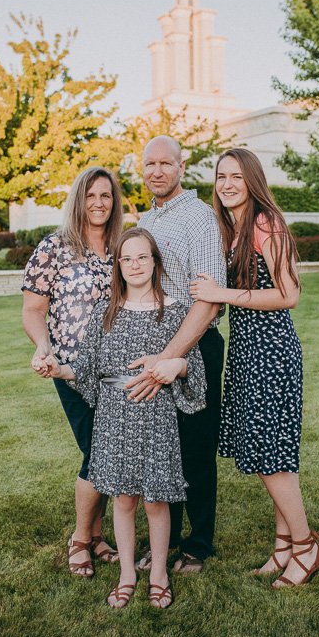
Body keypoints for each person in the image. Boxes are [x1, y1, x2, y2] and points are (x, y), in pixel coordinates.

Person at [41, 228, 207, 608]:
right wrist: (57, 367)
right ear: (118, 265)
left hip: (156, 415)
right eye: (126, 258)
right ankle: (128, 572)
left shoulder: (174, 311)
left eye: (142, 257)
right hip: (114, 418)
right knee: (124, 500)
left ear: (154, 262)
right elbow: (85, 370)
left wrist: (176, 364)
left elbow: (193, 371)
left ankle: (160, 573)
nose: (134, 264)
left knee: (155, 502)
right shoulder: (105, 312)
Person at [189, 148, 319, 588]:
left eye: (236, 176)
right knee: (273, 452)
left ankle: (305, 547)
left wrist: (223, 294)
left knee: (271, 457)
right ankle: (282, 547)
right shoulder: (232, 229)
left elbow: (289, 294)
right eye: (220, 176)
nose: (227, 184)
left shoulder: (266, 223)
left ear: (253, 181)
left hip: (272, 352)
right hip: (247, 353)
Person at [127, 135, 227, 573]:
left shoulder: (200, 218)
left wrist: (170, 354)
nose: (157, 171)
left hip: (194, 342)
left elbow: (209, 302)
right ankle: (163, 542)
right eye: (150, 164)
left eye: (166, 163)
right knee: (161, 448)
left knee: (195, 447)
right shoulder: (147, 218)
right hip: (154, 343)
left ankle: (198, 544)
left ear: (181, 168)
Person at [22, 166, 123, 578]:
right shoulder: (55, 247)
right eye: (91, 195)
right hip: (70, 367)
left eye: (106, 195)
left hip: (115, 368)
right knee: (98, 451)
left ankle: (97, 537)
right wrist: (43, 346)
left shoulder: (123, 247)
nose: (99, 203)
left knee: (104, 450)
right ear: (78, 199)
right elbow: (32, 310)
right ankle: (81, 539)